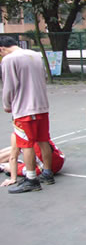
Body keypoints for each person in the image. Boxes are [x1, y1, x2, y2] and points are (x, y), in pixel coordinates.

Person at [0, 35, 54, 193]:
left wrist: (7, 104)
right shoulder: (35, 55)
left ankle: (31, 180)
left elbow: (9, 85)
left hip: (24, 108)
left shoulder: (9, 59)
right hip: (42, 106)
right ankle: (48, 174)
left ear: (2, 49)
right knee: (43, 140)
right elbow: (44, 77)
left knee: (26, 144)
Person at [0, 134, 65, 186]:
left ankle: (3, 166)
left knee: (8, 166)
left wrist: (13, 179)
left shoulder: (17, 134)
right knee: (18, 147)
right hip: (58, 158)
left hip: (44, 167)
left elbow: (13, 157)